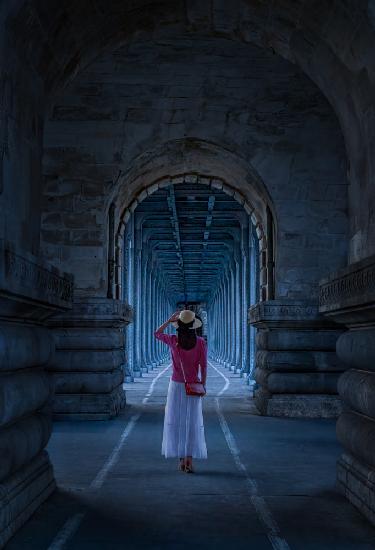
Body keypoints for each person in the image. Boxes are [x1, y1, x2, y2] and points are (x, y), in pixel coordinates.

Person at [154, 309, 207, 473]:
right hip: (193, 386)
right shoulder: (200, 343)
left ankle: (181, 459)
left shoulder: (173, 340)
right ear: (193, 326)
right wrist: (202, 385)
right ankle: (189, 460)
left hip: (176, 386)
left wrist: (168, 321)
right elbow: (203, 367)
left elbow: (156, 333)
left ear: (178, 325)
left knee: (176, 421)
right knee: (191, 422)